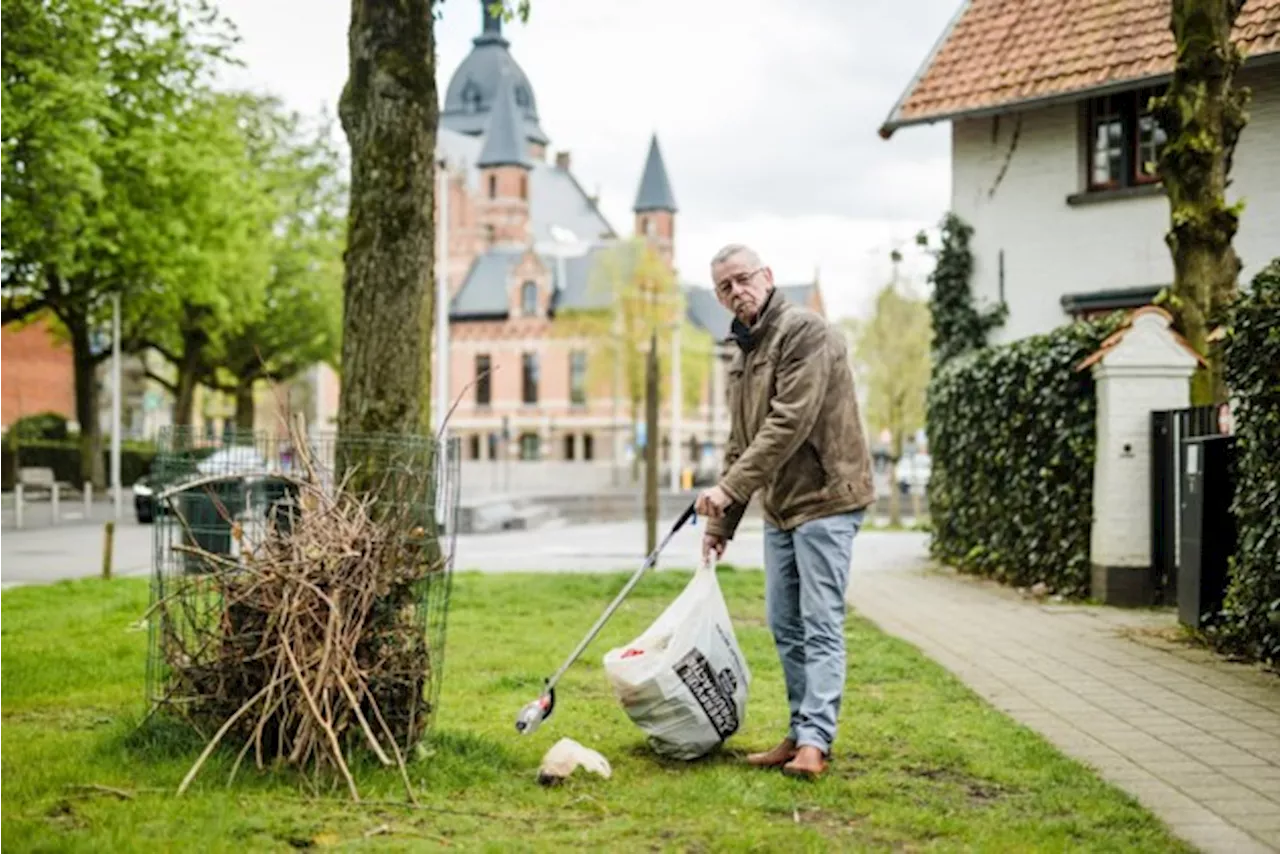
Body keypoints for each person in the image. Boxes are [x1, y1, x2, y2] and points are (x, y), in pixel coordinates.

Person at [695, 243, 875, 780]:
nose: (736, 292)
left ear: (767, 276)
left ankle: (816, 740)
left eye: (743, 279)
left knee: (820, 622)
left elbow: (787, 424)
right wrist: (720, 523)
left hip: (826, 496)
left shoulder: (805, 332)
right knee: (784, 623)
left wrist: (728, 488)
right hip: (782, 507)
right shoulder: (743, 350)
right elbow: (740, 439)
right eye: (724, 287)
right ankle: (800, 731)